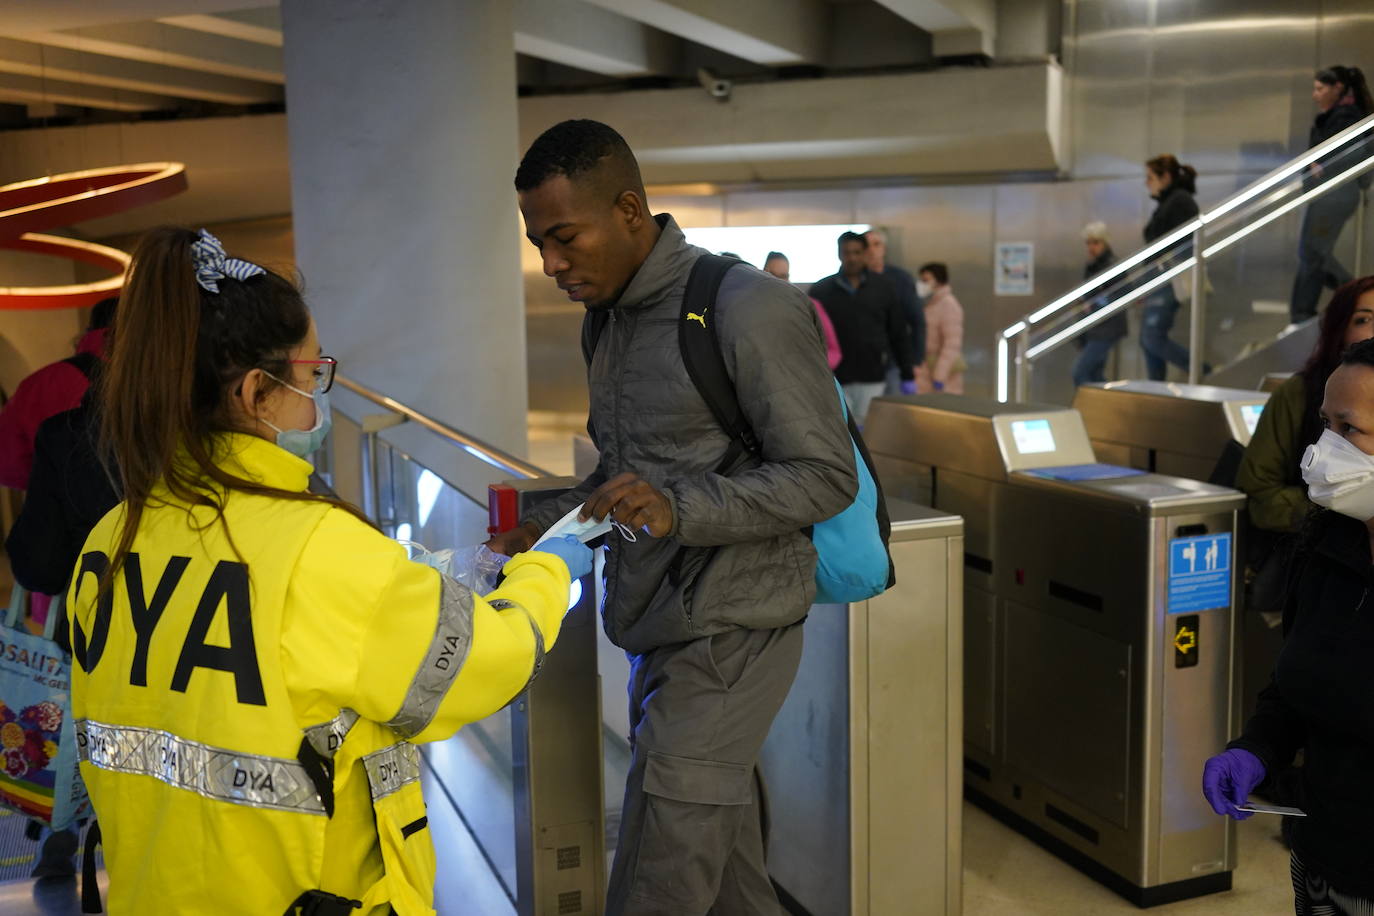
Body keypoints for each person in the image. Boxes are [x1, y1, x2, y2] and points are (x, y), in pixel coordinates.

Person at [67, 227, 591, 915]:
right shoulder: (314, 547)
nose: (320, 398)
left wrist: (458, 570)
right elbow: (486, 661)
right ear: (257, 393)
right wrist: (549, 571)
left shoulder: (109, 543)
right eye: (314, 375)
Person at [500, 119, 858, 916]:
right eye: (538, 244)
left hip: (733, 630)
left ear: (630, 210)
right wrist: (552, 522)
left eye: (564, 237)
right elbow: (631, 473)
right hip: (655, 621)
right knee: (724, 876)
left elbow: (825, 477)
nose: (551, 264)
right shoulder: (612, 318)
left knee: (660, 874)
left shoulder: (747, 309)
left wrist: (675, 510)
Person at [1203, 336, 1374, 913]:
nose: (1325, 450)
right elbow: (1300, 678)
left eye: (1349, 430)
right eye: (1324, 425)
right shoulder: (1328, 545)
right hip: (1323, 859)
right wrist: (1256, 749)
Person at [1238, 276, 1374, 535]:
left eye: (1349, 427)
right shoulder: (1297, 394)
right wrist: (1324, 510)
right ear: (1339, 329)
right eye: (1363, 319)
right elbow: (1259, 488)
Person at [0, 297, 114, 491]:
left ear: (89, 331)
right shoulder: (158, 376)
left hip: (65, 510)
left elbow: (7, 463)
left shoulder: (37, 384)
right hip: (145, 508)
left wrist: (49, 482)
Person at [1290, 66, 1374, 323]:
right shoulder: (1336, 116)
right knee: (1312, 254)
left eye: (1320, 88)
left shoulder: (1346, 117)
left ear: (1337, 88)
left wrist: (1320, 166)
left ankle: (1357, 294)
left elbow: (1344, 158)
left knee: (1312, 253)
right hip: (1332, 194)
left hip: (1335, 194)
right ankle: (1302, 314)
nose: (1315, 95)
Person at [811, 231, 916, 424]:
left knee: (868, 430)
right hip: (835, 377)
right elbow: (813, 336)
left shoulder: (883, 287)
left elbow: (898, 332)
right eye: (847, 253)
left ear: (865, 253)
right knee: (841, 431)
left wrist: (907, 372)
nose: (852, 258)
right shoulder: (821, 291)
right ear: (839, 254)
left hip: (873, 374)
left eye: (857, 252)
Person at [1140, 154, 1202, 381]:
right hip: (1160, 279)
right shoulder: (1169, 202)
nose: (1147, 183)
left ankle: (1201, 370)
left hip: (1169, 277)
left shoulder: (1179, 201)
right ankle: (1155, 387)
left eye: (1150, 177)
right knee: (1147, 339)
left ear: (1165, 176)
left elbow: (1180, 244)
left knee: (1151, 337)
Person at [864, 228, 925, 395]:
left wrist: (916, 361)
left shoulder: (900, 279)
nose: (871, 250)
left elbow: (917, 320)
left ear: (884, 248)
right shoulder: (856, 281)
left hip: (895, 360)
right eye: (867, 246)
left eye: (876, 245)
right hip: (865, 364)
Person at [763, 250, 842, 370]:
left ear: (788, 277)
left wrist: (812, 367)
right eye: (771, 275)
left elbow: (834, 351)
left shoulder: (808, 305)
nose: (776, 281)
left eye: (783, 276)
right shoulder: (755, 308)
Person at [1072, 222, 1127, 387]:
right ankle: (1104, 408)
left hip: (1106, 326)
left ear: (1105, 242)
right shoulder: (1092, 266)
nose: (1091, 247)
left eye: (1095, 243)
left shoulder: (1112, 266)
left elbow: (1120, 294)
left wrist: (1094, 302)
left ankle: (1097, 408)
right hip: (1095, 327)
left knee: (1081, 373)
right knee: (1095, 375)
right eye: (1088, 243)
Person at [914, 262, 966, 394]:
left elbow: (952, 344)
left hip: (942, 376)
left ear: (939, 281)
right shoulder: (931, 304)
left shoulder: (948, 305)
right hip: (926, 372)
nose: (922, 284)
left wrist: (940, 375)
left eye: (926, 280)